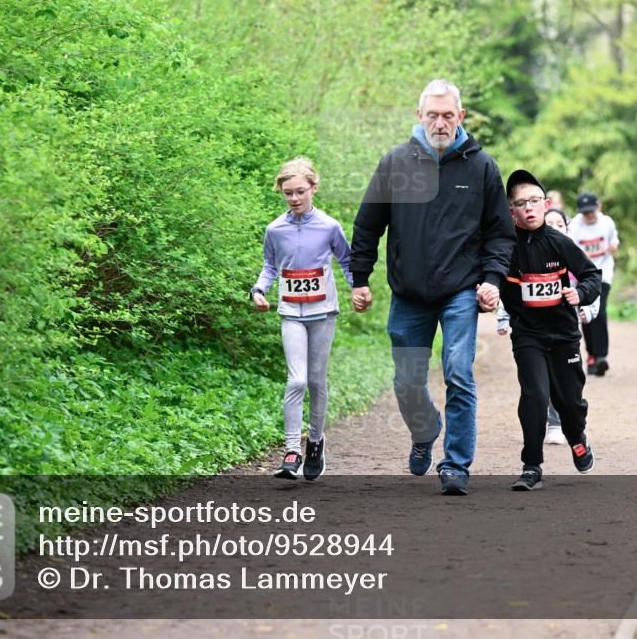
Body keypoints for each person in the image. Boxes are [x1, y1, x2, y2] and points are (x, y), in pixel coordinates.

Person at [350, 79, 515, 496]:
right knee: (407, 381)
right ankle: (425, 431)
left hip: (460, 290)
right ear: (418, 116)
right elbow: (368, 225)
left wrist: (492, 279)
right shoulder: (395, 163)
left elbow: (500, 233)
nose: (440, 123)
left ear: (461, 117)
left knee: (458, 371)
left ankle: (455, 465)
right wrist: (360, 278)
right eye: (432, 115)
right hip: (409, 294)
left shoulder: (482, 167)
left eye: (447, 115)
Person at [251, 157, 352, 481]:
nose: (294, 198)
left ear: (314, 188)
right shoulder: (274, 230)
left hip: (323, 312)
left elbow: (347, 261)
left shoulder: (329, 226)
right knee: (296, 380)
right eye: (288, 193)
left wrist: (359, 289)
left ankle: (316, 442)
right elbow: (270, 266)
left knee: (316, 381)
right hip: (291, 313)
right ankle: (292, 450)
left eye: (300, 192)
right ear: (281, 192)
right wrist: (258, 290)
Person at [500, 170, 601, 491]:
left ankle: (577, 437)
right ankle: (531, 465)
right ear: (511, 210)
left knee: (569, 402)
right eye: (520, 203)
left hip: (564, 335)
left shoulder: (559, 242)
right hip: (527, 334)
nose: (528, 208)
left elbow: (592, 276)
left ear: (545, 205)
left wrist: (579, 293)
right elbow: (487, 274)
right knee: (535, 396)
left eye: (534, 201)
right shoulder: (504, 245)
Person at [569, 192, 619, 376]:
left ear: (598, 207)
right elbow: (569, 250)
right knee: (586, 314)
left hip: (603, 273)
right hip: (583, 276)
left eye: (591, 211)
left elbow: (614, 239)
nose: (588, 215)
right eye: (585, 212)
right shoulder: (574, 226)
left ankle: (601, 356)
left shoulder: (607, 222)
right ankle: (591, 355)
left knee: (600, 311)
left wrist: (613, 245)